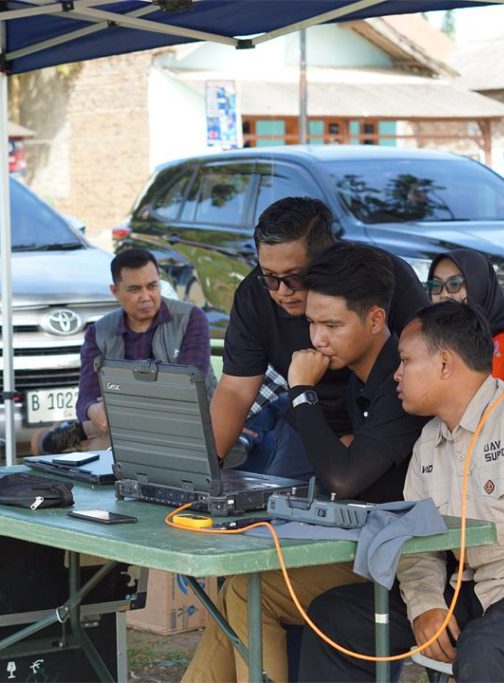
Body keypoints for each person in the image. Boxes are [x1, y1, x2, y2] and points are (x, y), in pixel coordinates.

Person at [299, 301, 504, 682]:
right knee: (335, 616)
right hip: (477, 594)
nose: (396, 374)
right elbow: (416, 539)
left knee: (484, 650)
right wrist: (426, 606)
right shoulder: (429, 442)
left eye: (406, 361)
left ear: (444, 364)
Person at [182, 243, 429, 683]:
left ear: (376, 319)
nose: (317, 338)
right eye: (312, 323)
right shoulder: (360, 377)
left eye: (332, 324)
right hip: (372, 544)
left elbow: (343, 476)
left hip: (413, 561)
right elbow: (342, 461)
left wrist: (301, 392)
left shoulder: (397, 377)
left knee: (248, 591)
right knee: (241, 589)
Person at [210, 196, 428, 479]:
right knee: (282, 501)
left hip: (389, 414)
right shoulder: (255, 295)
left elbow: (427, 358)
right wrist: (208, 467)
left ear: (326, 259)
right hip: (308, 415)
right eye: (270, 278)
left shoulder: (382, 278)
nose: (282, 291)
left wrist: (360, 450)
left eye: (294, 277)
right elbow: (236, 390)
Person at [31, 248, 212, 454]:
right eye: (135, 289)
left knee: (101, 445)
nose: (146, 297)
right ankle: (86, 432)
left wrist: (119, 401)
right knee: (109, 434)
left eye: (152, 286)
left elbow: (185, 389)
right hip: (123, 423)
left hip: (183, 422)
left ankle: (79, 434)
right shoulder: (99, 332)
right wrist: (95, 411)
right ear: (115, 291)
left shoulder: (190, 318)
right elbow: (86, 399)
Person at [426, 249, 504, 384]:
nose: (443, 294)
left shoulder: (501, 341)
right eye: (436, 285)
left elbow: (486, 398)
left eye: (454, 284)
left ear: (478, 286)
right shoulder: (428, 336)